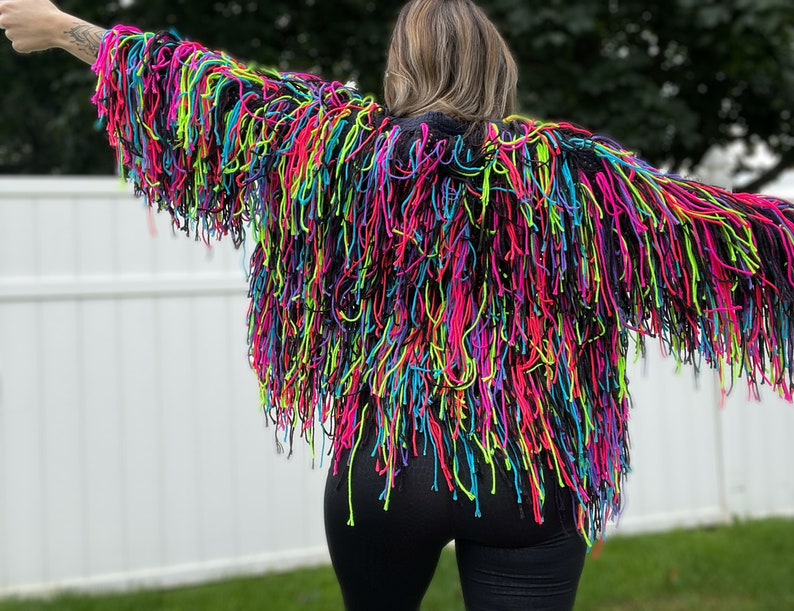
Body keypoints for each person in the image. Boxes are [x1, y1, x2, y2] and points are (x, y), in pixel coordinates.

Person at [2, 0, 794, 609]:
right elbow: (721, 232)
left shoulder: (337, 151)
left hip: (387, 464)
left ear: (400, 67)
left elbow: (206, 95)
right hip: (529, 469)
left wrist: (68, 29)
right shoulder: (573, 178)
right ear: (496, 68)